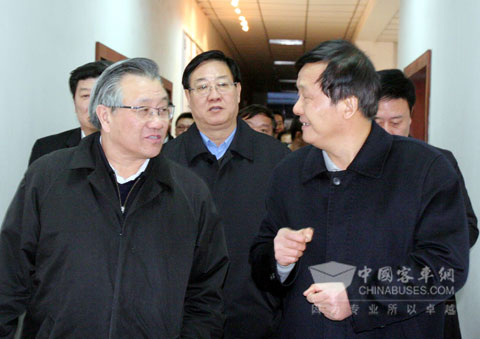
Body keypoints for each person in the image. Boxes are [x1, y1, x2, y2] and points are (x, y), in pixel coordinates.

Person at [250, 40, 469, 338]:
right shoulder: (289, 173)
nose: (296, 108)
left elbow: (445, 269)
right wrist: (279, 259)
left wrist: (360, 299)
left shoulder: (425, 169)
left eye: (306, 96)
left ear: (349, 104)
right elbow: (261, 261)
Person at [0, 58, 229, 338]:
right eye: (143, 110)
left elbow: (205, 293)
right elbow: (8, 276)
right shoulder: (48, 177)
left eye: (162, 110)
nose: (158, 122)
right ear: (105, 116)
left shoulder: (189, 193)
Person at [162, 50, 290, 338]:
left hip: (258, 319)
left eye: (222, 84)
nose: (213, 94)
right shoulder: (163, 162)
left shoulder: (278, 159)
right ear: (188, 96)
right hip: (183, 321)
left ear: (238, 90)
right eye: (202, 87)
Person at [375, 68, 478, 339]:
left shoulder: (438, 163)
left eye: (395, 121)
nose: (386, 131)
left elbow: (468, 225)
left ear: (411, 116)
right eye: (376, 121)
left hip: (427, 297)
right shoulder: (348, 166)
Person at [28, 60, 112, 165]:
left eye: (101, 96)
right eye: (86, 96)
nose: (94, 105)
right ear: (74, 102)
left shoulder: (134, 147)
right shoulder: (46, 149)